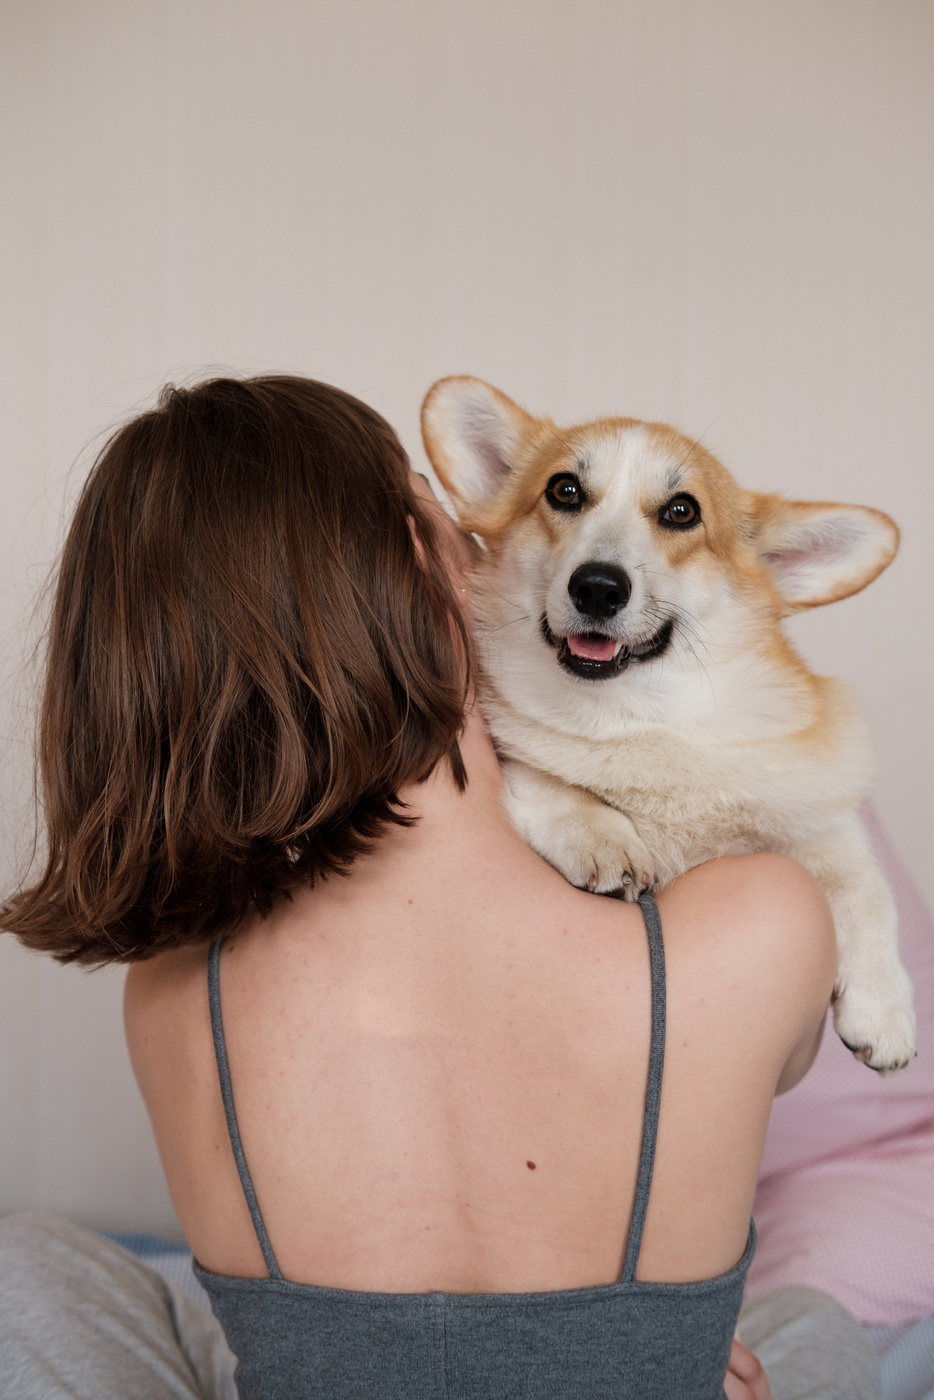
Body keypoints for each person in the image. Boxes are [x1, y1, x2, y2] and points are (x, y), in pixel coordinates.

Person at [0, 376, 881, 1399]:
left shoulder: (170, 991)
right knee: (811, 1322)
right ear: (428, 565)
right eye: (433, 504)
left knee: (31, 1262)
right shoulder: (762, 918)